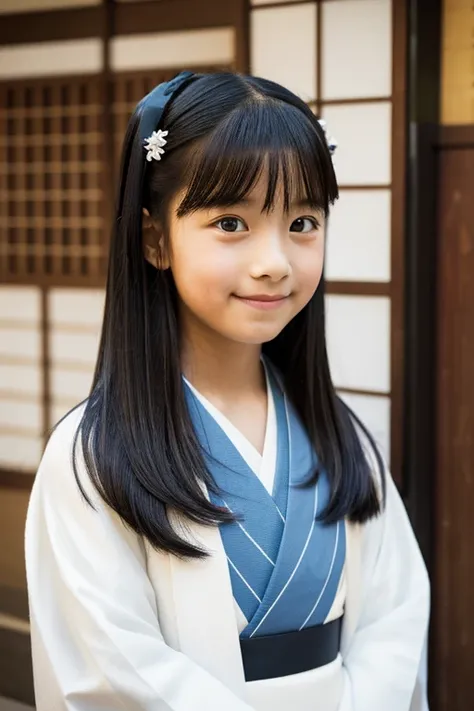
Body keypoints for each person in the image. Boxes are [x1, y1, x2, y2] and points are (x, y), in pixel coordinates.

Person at [25, 71, 430, 711]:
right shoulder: (93, 455)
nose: (274, 261)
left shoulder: (339, 435)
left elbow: (395, 620)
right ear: (155, 239)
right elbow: (114, 668)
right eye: (232, 223)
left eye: (302, 221)